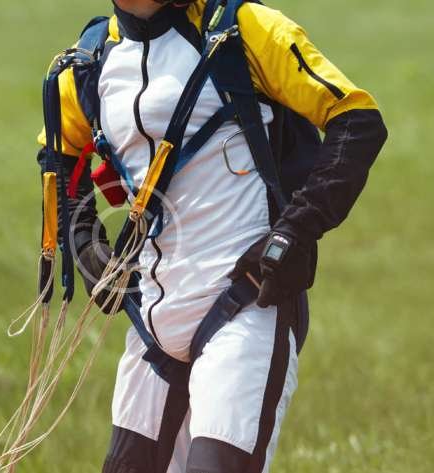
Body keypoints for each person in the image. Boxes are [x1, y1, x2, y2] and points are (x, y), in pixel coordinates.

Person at [35, 0, 387, 471]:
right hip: (154, 323)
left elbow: (357, 119)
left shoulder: (243, 29)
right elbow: (57, 156)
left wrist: (295, 229)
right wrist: (83, 239)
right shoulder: (91, 60)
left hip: (246, 306)